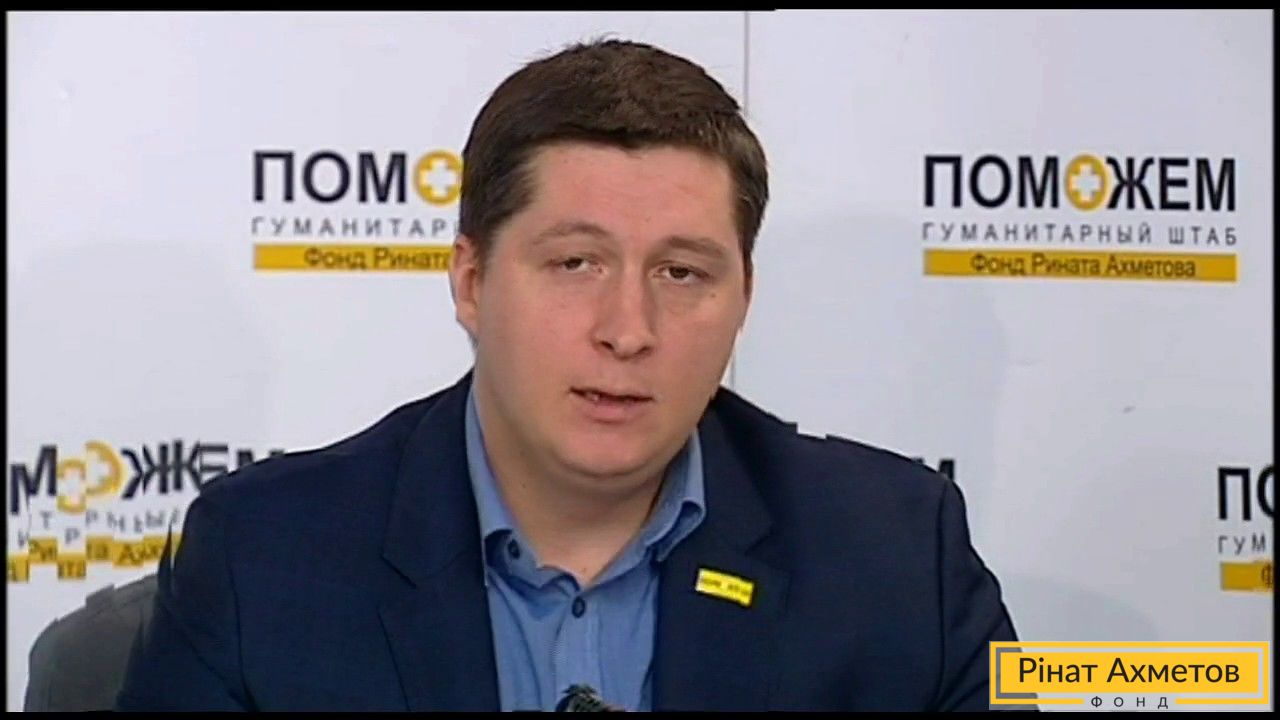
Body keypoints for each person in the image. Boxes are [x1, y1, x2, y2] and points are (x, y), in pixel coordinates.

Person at [116, 37, 1020, 712]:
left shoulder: (900, 558)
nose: (628, 331)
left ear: (744, 298)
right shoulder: (265, 557)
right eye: (575, 263)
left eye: (682, 273)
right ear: (472, 281)